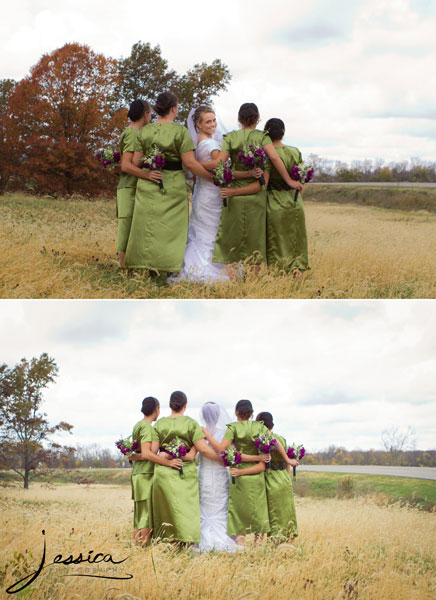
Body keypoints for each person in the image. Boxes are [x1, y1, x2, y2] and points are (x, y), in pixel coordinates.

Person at [201, 103, 303, 273]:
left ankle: (235, 281)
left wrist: (196, 165)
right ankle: (252, 282)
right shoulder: (263, 137)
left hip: (233, 195)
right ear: (257, 119)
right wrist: (289, 180)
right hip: (257, 194)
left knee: (231, 239)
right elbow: (275, 158)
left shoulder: (230, 137)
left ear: (239, 119)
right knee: (254, 241)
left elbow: (219, 163)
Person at [124, 92, 214, 275]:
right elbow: (189, 163)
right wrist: (212, 178)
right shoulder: (179, 131)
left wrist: (153, 160)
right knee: (171, 229)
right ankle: (168, 268)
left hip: (148, 183)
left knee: (146, 226)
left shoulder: (145, 131)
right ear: (173, 109)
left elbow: (135, 162)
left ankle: (144, 266)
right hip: (171, 186)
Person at [152, 391, 220, 544]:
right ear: (185, 405)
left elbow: (154, 451)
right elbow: (202, 449)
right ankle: (187, 540)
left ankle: (167, 541)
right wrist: (221, 459)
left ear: (170, 405)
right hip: (184, 471)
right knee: (187, 508)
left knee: (166, 508)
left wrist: (166, 454)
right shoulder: (191, 423)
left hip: (163, 471)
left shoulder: (160, 424)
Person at [202, 399, 270, 544]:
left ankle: (240, 543)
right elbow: (267, 451)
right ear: (252, 413)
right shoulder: (260, 427)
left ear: (236, 413)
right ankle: (258, 545)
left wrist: (207, 435)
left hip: (238, 476)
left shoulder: (233, 428)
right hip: (257, 476)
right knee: (259, 512)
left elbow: (222, 449)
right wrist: (259, 457)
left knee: (239, 515)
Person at [177, 106, 229, 283]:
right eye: (208, 121)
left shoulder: (198, 142)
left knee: (202, 230)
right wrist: (196, 167)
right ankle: (208, 266)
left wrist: (195, 167)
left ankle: (195, 264)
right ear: (198, 125)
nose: (213, 124)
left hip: (202, 191)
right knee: (212, 229)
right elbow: (218, 164)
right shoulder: (210, 144)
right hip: (211, 192)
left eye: (214, 120)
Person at [129, 396, 184, 545]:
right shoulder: (147, 427)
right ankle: (145, 548)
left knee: (139, 513)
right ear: (157, 409)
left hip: (137, 473)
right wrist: (168, 462)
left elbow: (132, 453)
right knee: (146, 513)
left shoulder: (137, 426)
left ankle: (137, 547)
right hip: (146, 474)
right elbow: (147, 453)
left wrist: (138, 457)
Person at [116, 99, 159, 267]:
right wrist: (148, 175)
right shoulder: (134, 134)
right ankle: (123, 267)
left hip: (131, 186)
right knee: (126, 228)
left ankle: (132, 264)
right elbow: (127, 165)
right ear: (145, 114)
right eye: (150, 113)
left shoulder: (130, 131)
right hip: (129, 187)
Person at [263, 118, 309, 274]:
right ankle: (297, 271)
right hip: (294, 200)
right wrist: (297, 197)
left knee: (277, 241)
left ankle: (279, 273)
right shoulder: (295, 151)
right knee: (295, 240)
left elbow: (265, 181)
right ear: (283, 132)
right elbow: (302, 181)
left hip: (273, 200)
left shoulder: (267, 154)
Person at [198, 402, 239, 552]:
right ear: (218, 416)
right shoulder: (225, 433)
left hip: (204, 474)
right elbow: (231, 454)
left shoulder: (200, 432)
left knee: (205, 505)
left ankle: (204, 538)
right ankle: (222, 536)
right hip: (220, 473)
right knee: (220, 505)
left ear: (203, 415)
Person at [256, 411, 298, 541]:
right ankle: (285, 539)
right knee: (285, 512)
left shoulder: (263, 439)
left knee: (265, 512)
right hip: (283, 477)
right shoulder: (282, 438)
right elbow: (287, 463)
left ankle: (258, 542)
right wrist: (286, 477)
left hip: (270, 476)